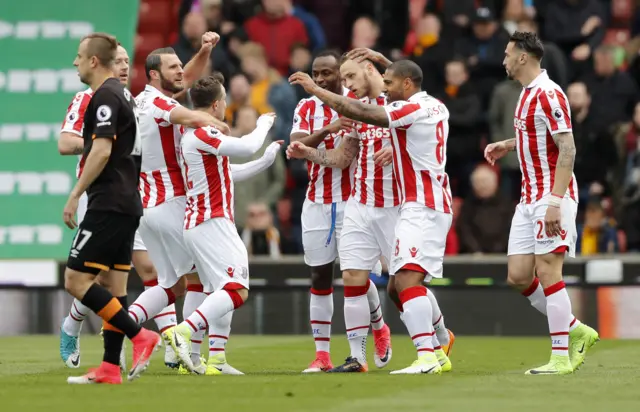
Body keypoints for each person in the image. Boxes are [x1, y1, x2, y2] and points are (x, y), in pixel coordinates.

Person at [288, 54, 454, 373]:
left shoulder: (394, 107)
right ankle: (357, 358)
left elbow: (406, 86)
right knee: (352, 276)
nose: (347, 85)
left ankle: (439, 338)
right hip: (360, 202)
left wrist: (315, 89)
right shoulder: (367, 104)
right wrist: (309, 153)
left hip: (398, 205)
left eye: (349, 77)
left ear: (369, 71)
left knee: (401, 284)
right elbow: (343, 157)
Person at [484, 31, 599, 375]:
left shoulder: (549, 94)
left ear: (522, 57)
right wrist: (507, 144)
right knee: (519, 275)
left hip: (551, 195)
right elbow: (535, 135)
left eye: (507, 54)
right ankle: (576, 329)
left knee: (549, 271)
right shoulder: (526, 94)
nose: (502, 60)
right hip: (528, 195)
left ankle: (561, 356)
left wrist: (555, 202)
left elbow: (568, 148)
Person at [57, 43, 176, 372]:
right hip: (127, 199)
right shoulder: (114, 98)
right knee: (114, 284)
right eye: (120, 60)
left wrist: (74, 194)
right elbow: (67, 143)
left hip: (107, 199)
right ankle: (110, 366)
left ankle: (139, 335)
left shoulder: (109, 97)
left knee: (77, 281)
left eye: (79, 57)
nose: (74, 62)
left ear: (94, 62)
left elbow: (103, 149)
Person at [162, 75, 280, 374]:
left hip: (200, 222)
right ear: (216, 105)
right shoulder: (202, 132)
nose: (226, 104)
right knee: (236, 289)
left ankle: (213, 359)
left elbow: (228, 173)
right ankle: (183, 332)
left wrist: (265, 161)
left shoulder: (194, 134)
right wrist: (264, 123)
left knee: (207, 289)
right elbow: (244, 146)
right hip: (210, 221)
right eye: (224, 100)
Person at [129, 41, 226, 375]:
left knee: (172, 285)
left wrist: (204, 52)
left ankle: (121, 326)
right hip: (172, 201)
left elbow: (185, 83)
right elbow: (184, 114)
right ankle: (192, 352)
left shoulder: (141, 100)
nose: (180, 72)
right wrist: (213, 123)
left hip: (148, 206)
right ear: (154, 74)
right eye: (173, 68)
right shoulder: (157, 103)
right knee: (208, 279)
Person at [288, 50, 383, 373]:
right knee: (319, 276)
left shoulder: (356, 105)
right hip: (316, 201)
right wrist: (328, 130)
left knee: (355, 274)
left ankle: (379, 326)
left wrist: (310, 148)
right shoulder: (306, 106)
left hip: (352, 200)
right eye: (316, 73)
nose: (320, 79)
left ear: (341, 76)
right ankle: (322, 355)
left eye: (327, 73)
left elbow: (320, 153)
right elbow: (298, 145)